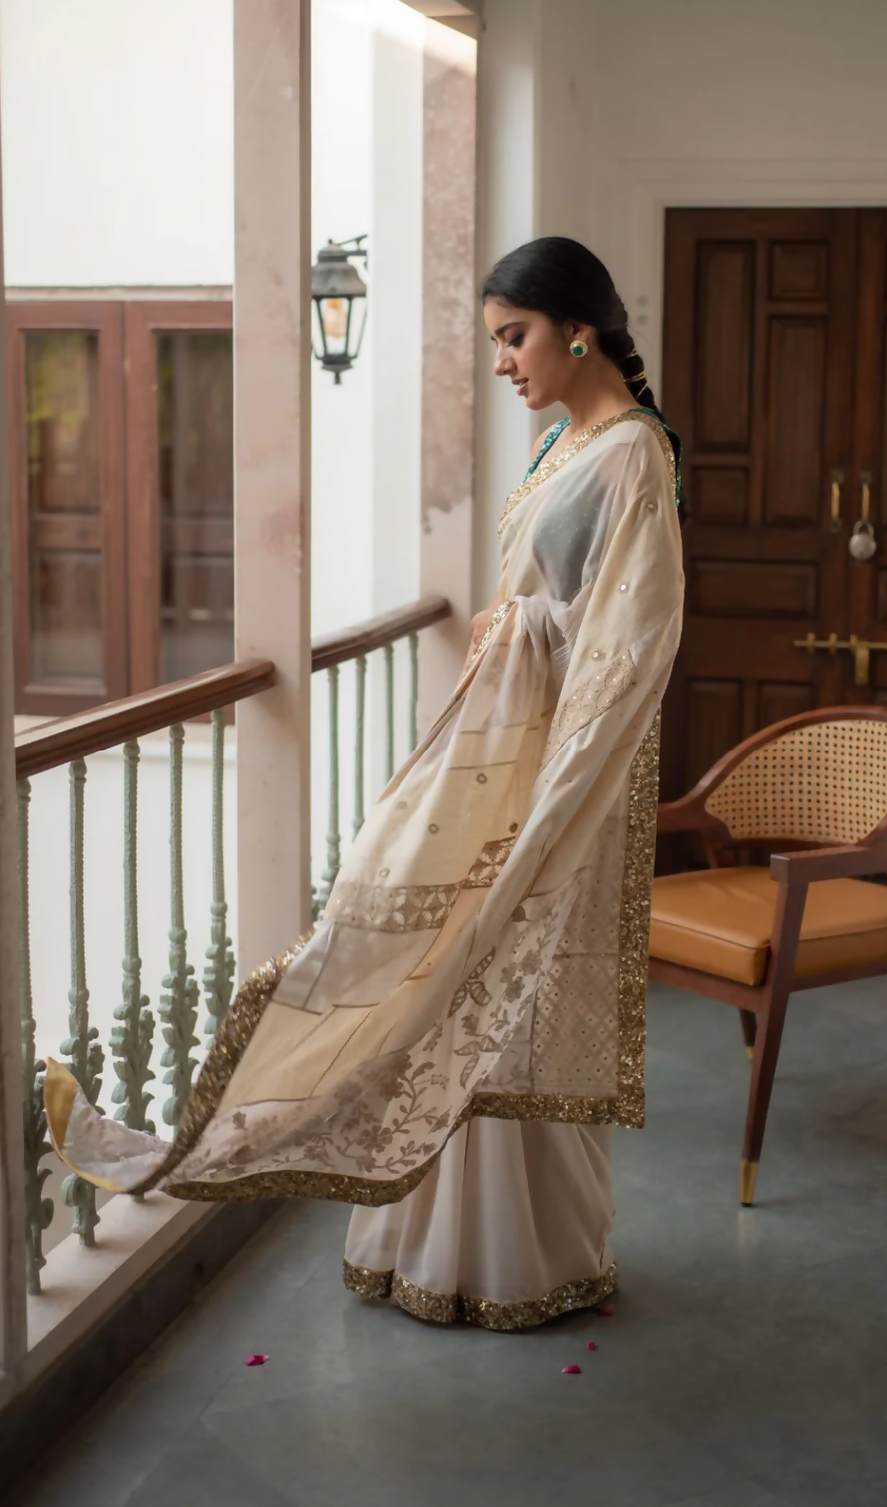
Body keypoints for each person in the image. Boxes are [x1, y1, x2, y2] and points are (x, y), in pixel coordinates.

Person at [45, 236, 685, 1332]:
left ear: (577, 326)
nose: (502, 363)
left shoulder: (631, 455)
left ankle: (517, 1263)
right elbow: (542, 602)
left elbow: (628, 644)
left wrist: (526, 644)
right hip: (499, 767)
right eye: (494, 341)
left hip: (545, 784)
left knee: (493, 999)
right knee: (418, 968)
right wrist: (518, 624)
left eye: (513, 337)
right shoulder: (560, 445)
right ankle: (412, 1240)